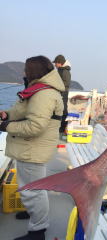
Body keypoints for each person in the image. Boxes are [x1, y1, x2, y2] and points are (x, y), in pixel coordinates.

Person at [0, 56, 65, 240]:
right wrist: (7, 114)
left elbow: (35, 126)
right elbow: (21, 111)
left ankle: (38, 231)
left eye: (26, 70)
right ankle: (34, 214)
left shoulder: (44, 94)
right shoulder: (39, 91)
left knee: (33, 192)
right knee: (32, 189)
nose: (23, 73)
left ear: (33, 72)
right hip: (31, 148)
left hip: (32, 150)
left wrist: (5, 126)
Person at [53, 54, 71, 133]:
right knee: (58, 109)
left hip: (63, 93)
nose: (55, 65)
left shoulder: (65, 71)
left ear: (60, 63)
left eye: (56, 63)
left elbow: (66, 83)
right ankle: (59, 126)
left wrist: (57, 86)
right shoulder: (60, 70)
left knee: (63, 110)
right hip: (59, 92)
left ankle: (63, 127)